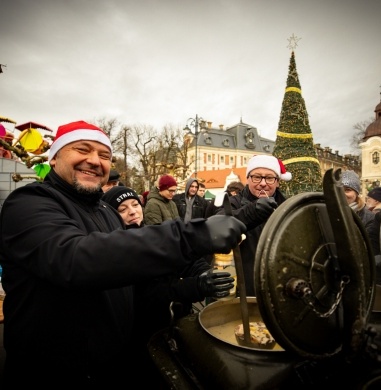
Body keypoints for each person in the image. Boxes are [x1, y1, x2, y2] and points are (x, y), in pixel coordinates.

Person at [0, 120, 246, 388]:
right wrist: (192, 236)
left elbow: (138, 283)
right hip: (51, 375)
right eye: (83, 149)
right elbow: (75, 259)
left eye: (104, 155)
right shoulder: (29, 203)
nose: (95, 161)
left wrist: (195, 284)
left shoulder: (106, 213)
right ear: (55, 156)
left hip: (114, 366)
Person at [101, 186, 234, 385]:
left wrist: (204, 272)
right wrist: (196, 286)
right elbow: (149, 293)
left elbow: (184, 259)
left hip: (170, 324)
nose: (132, 211)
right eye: (122, 209)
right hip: (138, 337)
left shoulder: (150, 234)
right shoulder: (114, 249)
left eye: (135, 204)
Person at [216, 155, 290, 297]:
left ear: (278, 182)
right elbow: (218, 225)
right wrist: (252, 211)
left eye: (269, 178)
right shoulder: (233, 203)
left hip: (279, 286)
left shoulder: (286, 207)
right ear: (248, 179)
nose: (263, 183)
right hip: (246, 285)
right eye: (257, 177)